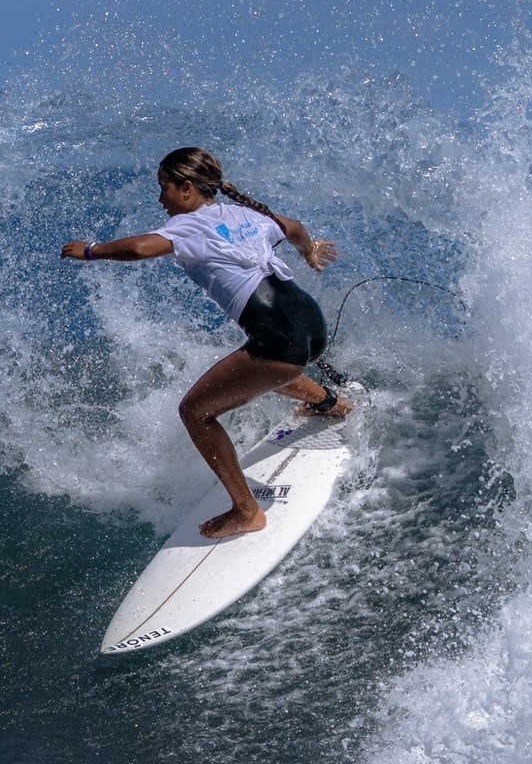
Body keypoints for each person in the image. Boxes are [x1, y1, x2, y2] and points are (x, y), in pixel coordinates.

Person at [61, 147, 353, 539]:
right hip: (311, 326)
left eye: (163, 187)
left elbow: (141, 248)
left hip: (280, 340)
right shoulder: (246, 215)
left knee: (195, 411)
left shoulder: (188, 225)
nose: (160, 198)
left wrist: (91, 251)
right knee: (254, 369)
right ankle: (329, 403)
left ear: (186, 188)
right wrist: (310, 253)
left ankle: (247, 511)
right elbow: (296, 227)